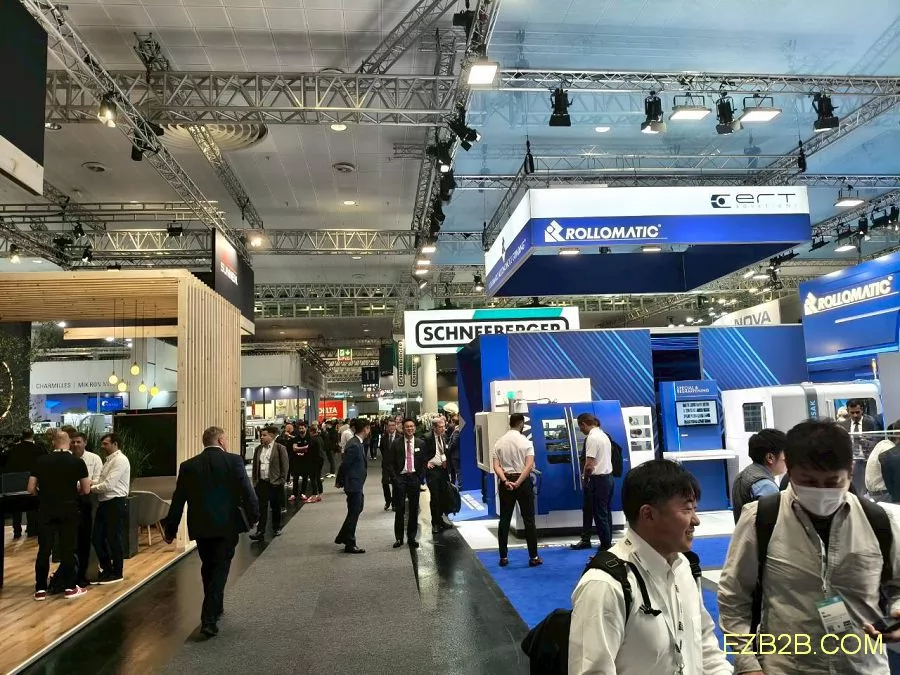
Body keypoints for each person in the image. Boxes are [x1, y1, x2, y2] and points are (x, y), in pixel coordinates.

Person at [718, 419, 900, 675]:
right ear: (789, 471)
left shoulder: (880, 521)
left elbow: (897, 587)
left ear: (850, 470)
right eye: (808, 482)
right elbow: (733, 597)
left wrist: (896, 613)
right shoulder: (761, 519)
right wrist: (747, 664)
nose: (821, 491)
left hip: (863, 666)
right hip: (786, 667)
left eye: (832, 482)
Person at [569, 459, 730, 675]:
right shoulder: (605, 585)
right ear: (648, 514)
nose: (696, 520)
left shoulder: (684, 567)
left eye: (695, 509)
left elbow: (705, 647)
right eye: (687, 509)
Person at [164, 426, 259, 638]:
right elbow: (247, 491)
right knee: (220, 569)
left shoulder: (188, 466)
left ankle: (216, 607)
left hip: (200, 527)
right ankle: (208, 619)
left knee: (209, 567)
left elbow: (178, 500)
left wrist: (170, 529)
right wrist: (254, 516)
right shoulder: (233, 461)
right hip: (227, 525)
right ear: (222, 440)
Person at [28, 431, 91, 601]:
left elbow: (30, 488)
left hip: (46, 509)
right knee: (67, 549)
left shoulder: (41, 461)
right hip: (69, 510)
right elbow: (86, 489)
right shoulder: (77, 462)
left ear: (53, 443)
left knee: (44, 549)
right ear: (69, 443)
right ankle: (70, 587)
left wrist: (43, 494)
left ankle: (40, 589)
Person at [492, 413, 541, 567]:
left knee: (504, 520)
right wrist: (518, 482)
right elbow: (529, 465)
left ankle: (503, 557)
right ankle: (533, 557)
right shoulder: (526, 442)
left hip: (505, 482)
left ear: (510, 423)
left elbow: (496, 466)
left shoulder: (499, 442)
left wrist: (506, 481)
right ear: (521, 424)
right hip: (523, 483)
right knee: (529, 520)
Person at [570, 413, 614, 552]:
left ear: (583, 424)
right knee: (603, 512)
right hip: (607, 478)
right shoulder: (603, 435)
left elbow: (589, 464)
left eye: (580, 427)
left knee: (600, 514)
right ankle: (601, 541)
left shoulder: (592, 438)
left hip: (597, 480)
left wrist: (585, 479)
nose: (581, 430)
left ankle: (605, 546)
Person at [91, 432, 131, 585]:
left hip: (115, 503)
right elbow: (103, 481)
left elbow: (109, 485)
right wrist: (90, 483)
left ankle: (117, 572)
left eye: (106, 444)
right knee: (97, 538)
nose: (102, 446)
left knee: (114, 538)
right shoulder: (109, 461)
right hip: (105, 503)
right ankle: (107, 569)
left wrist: (90, 488)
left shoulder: (120, 460)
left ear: (115, 444)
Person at [730, 428, 787, 522]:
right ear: (770, 457)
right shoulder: (765, 485)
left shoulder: (743, 474)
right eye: (785, 454)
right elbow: (776, 523)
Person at [386, 418, 425, 549]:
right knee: (399, 509)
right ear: (403, 428)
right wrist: (395, 478)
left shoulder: (420, 443)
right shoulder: (396, 443)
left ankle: (412, 537)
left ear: (415, 428)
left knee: (414, 509)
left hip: (414, 478)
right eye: (407, 426)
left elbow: (424, 462)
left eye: (412, 426)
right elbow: (389, 463)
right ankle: (399, 538)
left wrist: (420, 477)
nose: (410, 428)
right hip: (400, 478)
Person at [70, 432, 102, 588]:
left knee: (85, 538)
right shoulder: (68, 459)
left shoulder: (94, 459)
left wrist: (84, 485)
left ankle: (84, 574)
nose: (76, 445)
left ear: (85, 442)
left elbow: (98, 479)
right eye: (73, 442)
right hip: (70, 502)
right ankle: (71, 574)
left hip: (88, 502)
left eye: (78, 442)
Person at [1, 429, 45, 538]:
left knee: (16, 506)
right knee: (31, 505)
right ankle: (32, 530)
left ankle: (17, 531)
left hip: (15, 481)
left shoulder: (13, 448)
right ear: (32, 435)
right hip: (32, 480)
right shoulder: (39, 449)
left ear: (22, 436)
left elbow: (3, 461)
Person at [334, 418, 369, 554]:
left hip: (356, 483)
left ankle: (343, 536)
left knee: (357, 509)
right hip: (353, 483)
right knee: (354, 512)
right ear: (365, 429)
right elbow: (345, 464)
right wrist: (340, 480)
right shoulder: (354, 444)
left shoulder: (356, 442)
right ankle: (350, 542)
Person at [249, 425, 289, 541]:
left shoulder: (280, 448)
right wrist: (255, 481)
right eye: (261, 435)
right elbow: (255, 466)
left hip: (275, 483)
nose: (261, 437)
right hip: (261, 483)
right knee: (261, 508)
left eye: (264, 435)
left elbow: (285, 465)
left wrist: (282, 481)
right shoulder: (258, 449)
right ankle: (260, 531)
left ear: (271, 436)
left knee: (275, 507)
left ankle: (276, 527)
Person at [424, 416, 452, 534]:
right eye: (440, 427)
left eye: (443, 426)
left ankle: (440, 520)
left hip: (443, 470)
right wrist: (426, 462)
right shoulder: (427, 437)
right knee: (435, 497)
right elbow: (420, 452)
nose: (443, 429)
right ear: (434, 427)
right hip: (433, 471)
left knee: (443, 496)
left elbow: (445, 452)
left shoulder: (443, 436)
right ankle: (435, 523)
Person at [867, 420, 900, 502]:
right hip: (884, 495)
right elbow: (895, 482)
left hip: (874, 494)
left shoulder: (882, 444)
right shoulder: (890, 450)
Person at [379, 418, 400, 510]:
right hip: (386, 465)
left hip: (396, 466)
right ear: (387, 427)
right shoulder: (383, 437)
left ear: (396, 426)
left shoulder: (400, 437)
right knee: (385, 483)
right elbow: (382, 449)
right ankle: (388, 501)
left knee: (395, 484)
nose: (391, 427)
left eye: (393, 425)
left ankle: (394, 503)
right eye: (389, 425)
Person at [288, 421, 311, 504]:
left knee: (305, 478)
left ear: (306, 428)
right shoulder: (296, 438)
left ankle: (303, 493)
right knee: (295, 478)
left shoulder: (309, 438)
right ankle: (294, 494)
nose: (301, 430)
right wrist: (304, 448)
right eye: (300, 428)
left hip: (306, 461)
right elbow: (294, 448)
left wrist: (299, 448)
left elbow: (309, 448)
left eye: (302, 428)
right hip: (297, 461)